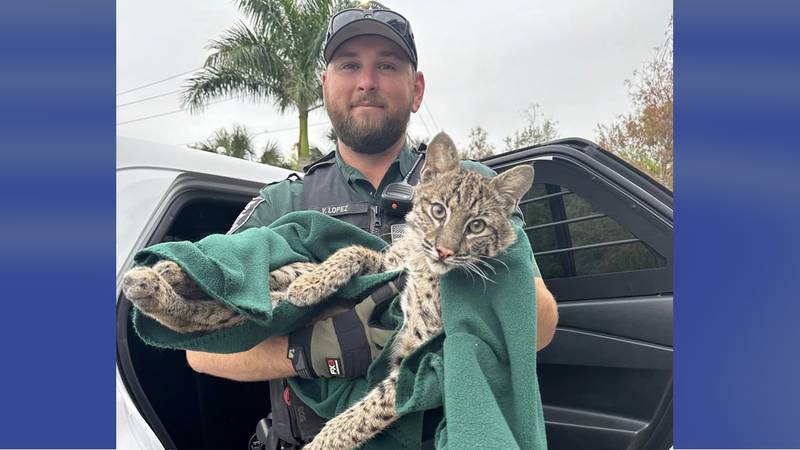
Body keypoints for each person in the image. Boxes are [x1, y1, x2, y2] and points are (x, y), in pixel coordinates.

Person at [186, 4, 558, 444]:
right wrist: (313, 353)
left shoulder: (475, 186)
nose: (367, 81)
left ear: (416, 89)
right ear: (325, 86)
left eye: (386, 65)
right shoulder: (283, 202)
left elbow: (541, 326)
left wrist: (457, 296)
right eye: (349, 65)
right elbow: (201, 350)